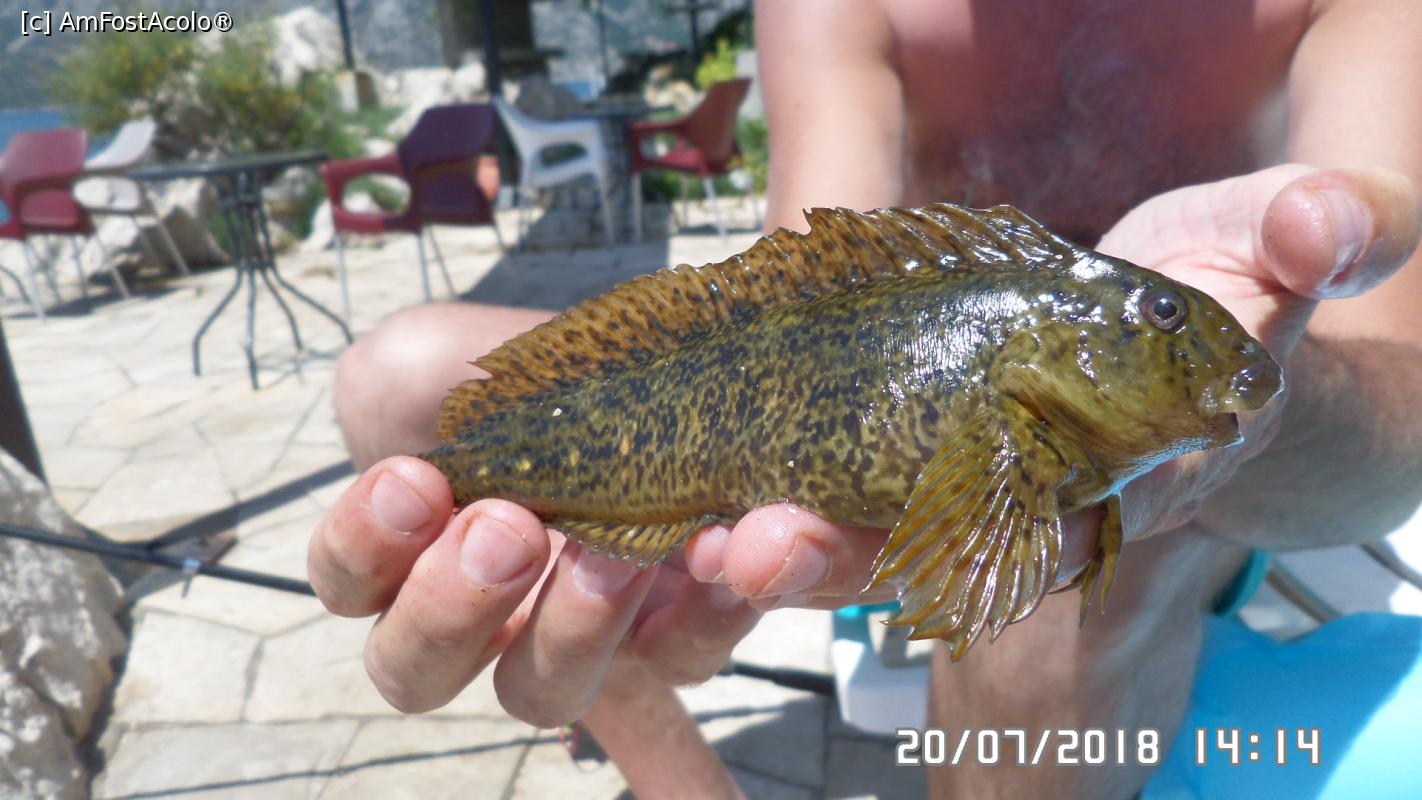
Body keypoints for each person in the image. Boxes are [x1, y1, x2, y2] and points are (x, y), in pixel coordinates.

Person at [307, 0, 1422, 796]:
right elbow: (800, 287)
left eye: (1163, 323)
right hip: (835, 462)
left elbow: (1396, 451)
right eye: (1164, 324)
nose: (1176, 335)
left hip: (1235, 499)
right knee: (402, 381)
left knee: (1049, 587)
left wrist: (1270, 397)